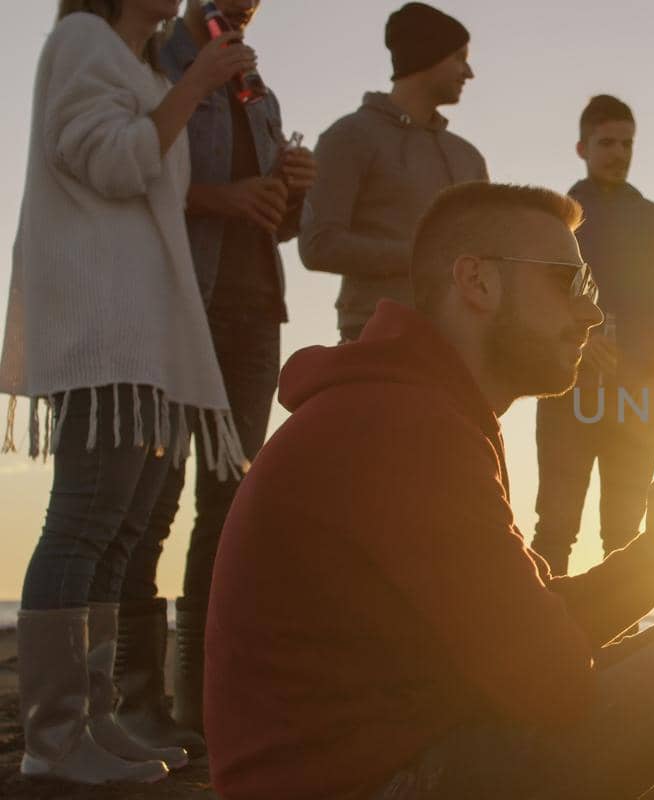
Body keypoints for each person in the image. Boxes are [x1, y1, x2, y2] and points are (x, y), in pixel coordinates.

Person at [204, 182, 654, 800]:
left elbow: (527, 631)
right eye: (571, 282)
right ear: (478, 281)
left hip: (399, 750)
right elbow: (552, 682)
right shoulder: (403, 427)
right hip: (370, 782)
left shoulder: (411, 410)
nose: (593, 311)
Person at [0, 0, 254, 784]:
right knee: (83, 522)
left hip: (146, 339)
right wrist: (197, 84)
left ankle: (96, 720)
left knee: (119, 528)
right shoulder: (82, 43)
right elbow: (108, 163)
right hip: (99, 330)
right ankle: (50, 738)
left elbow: (156, 182)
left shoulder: (145, 69)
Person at [104, 0, 317, 758]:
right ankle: (134, 698)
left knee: (231, 505)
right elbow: (126, 173)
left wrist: (293, 188)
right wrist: (221, 197)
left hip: (254, 313)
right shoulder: (153, 63)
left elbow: (278, 222)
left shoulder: (259, 85)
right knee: (151, 500)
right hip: (175, 302)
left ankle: (201, 694)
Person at [531, 95, 654, 576]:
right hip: (565, 389)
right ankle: (542, 640)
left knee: (625, 532)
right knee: (556, 526)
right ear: (582, 146)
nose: (618, 152)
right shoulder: (553, 219)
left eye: (627, 143)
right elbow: (536, 295)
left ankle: (618, 643)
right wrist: (577, 339)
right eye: (607, 142)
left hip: (638, 397)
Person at [298, 1, 486, 342]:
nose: (468, 72)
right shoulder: (350, 136)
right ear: (427, 56)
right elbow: (318, 245)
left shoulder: (467, 156)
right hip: (374, 336)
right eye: (459, 57)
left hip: (459, 345)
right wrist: (419, 256)